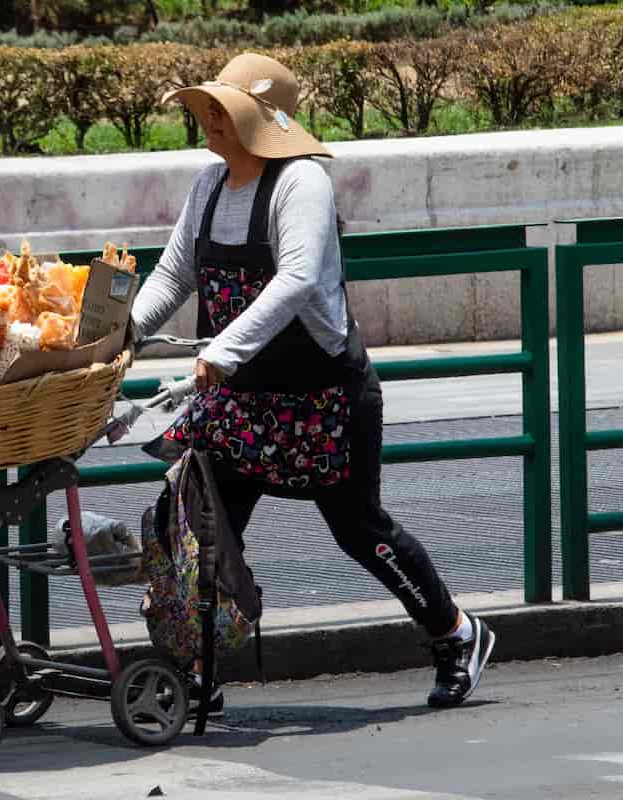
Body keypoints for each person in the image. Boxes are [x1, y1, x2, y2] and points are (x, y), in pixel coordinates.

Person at [130, 52, 494, 709]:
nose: (210, 120)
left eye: (225, 109)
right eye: (208, 108)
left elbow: (296, 280)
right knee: (204, 529)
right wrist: (122, 334)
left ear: (261, 120)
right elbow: (172, 273)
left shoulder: (302, 185)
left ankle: (455, 634)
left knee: (360, 531)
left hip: (323, 400)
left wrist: (226, 349)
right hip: (240, 404)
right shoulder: (209, 187)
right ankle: (199, 670)